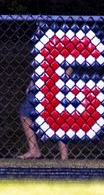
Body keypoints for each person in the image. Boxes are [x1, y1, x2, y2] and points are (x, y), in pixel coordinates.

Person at [20, 22, 70, 161]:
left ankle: (64, 156)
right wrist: (32, 82)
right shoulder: (42, 49)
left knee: (58, 118)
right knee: (25, 112)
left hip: (55, 86)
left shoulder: (62, 46)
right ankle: (34, 150)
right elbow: (39, 67)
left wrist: (60, 82)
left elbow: (69, 66)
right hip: (40, 86)